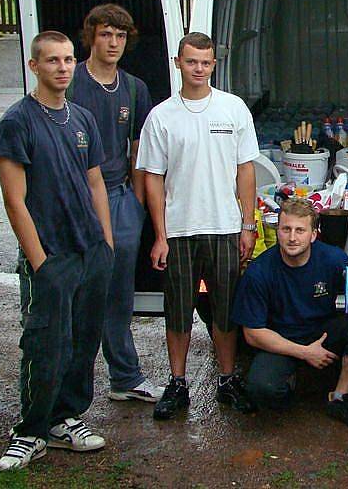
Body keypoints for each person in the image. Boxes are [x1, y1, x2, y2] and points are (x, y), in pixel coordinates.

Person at [0, 32, 115, 471]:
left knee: (84, 342)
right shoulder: (16, 123)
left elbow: (96, 182)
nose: (63, 68)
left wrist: (106, 243)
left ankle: (66, 418)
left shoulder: (82, 119)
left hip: (90, 254)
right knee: (47, 344)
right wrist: (40, 262)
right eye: (52, 61)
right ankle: (30, 431)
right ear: (34, 67)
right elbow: (15, 200)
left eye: (68, 60)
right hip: (52, 257)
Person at [136, 32, 259, 420]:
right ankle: (178, 383)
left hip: (224, 227)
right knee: (178, 310)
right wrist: (159, 235)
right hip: (178, 231)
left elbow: (246, 169)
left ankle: (226, 379)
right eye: (192, 62)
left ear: (213, 65)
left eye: (206, 63)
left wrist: (248, 224)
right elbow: (152, 177)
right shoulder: (161, 116)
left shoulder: (233, 108)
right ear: (178, 63)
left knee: (224, 311)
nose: (199, 69)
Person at [67, 4, 162, 403]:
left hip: (120, 195)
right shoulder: (70, 82)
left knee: (118, 291)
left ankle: (125, 377)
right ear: (91, 36)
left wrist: (137, 205)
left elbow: (139, 149)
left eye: (121, 36)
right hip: (74, 199)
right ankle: (67, 387)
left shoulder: (134, 88)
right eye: (106, 34)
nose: (113, 43)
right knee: (74, 290)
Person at [232, 199, 348, 429]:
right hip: (280, 339)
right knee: (263, 390)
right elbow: (252, 334)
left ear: (313, 234)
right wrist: (305, 353)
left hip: (322, 332)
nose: (292, 237)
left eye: (300, 230)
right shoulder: (259, 272)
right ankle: (298, 381)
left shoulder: (332, 258)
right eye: (286, 229)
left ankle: (340, 397)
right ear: (277, 231)